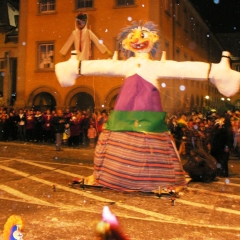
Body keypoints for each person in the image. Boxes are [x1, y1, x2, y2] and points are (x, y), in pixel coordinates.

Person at [56, 21, 240, 192]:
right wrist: (78, 67)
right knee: (126, 137)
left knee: (148, 138)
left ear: (153, 40)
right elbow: (104, 66)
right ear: (126, 43)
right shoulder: (126, 64)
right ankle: (121, 174)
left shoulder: (154, 66)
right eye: (133, 37)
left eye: (143, 36)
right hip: (124, 110)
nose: (137, 40)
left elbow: (181, 68)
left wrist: (213, 71)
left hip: (147, 109)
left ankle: (139, 175)